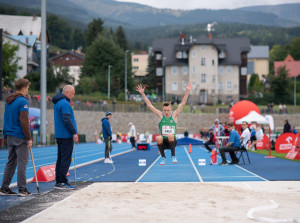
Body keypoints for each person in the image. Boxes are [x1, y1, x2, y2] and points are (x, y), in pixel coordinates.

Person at [136, 82, 192, 165]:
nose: (166, 112)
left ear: (171, 109)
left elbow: (183, 104)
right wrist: (143, 93)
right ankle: (163, 157)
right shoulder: (160, 115)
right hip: (164, 142)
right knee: (158, 138)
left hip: (172, 141)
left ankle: (173, 156)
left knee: (170, 135)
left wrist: (187, 91)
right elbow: (150, 105)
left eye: (168, 110)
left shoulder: (174, 115)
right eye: (164, 110)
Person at [0, 79, 32, 196]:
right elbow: (24, 121)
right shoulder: (22, 101)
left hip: (9, 134)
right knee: (22, 162)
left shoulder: (8, 101)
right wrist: (29, 138)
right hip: (19, 135)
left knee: (11, 162)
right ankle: (22, 189)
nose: (28, 90)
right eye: (27, 88)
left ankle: (4, 188)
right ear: (23, 88)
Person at [52, 85, 79, 190]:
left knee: (60, 158)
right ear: (67, 93)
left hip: (60, 134)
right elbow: (67, 119)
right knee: (65, 159)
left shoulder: (59, 102)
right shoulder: (64, 103)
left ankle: (59, 180)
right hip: (66, 135)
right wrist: (74, 133)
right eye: (72, 93)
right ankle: (62, 181)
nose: (73, 96)